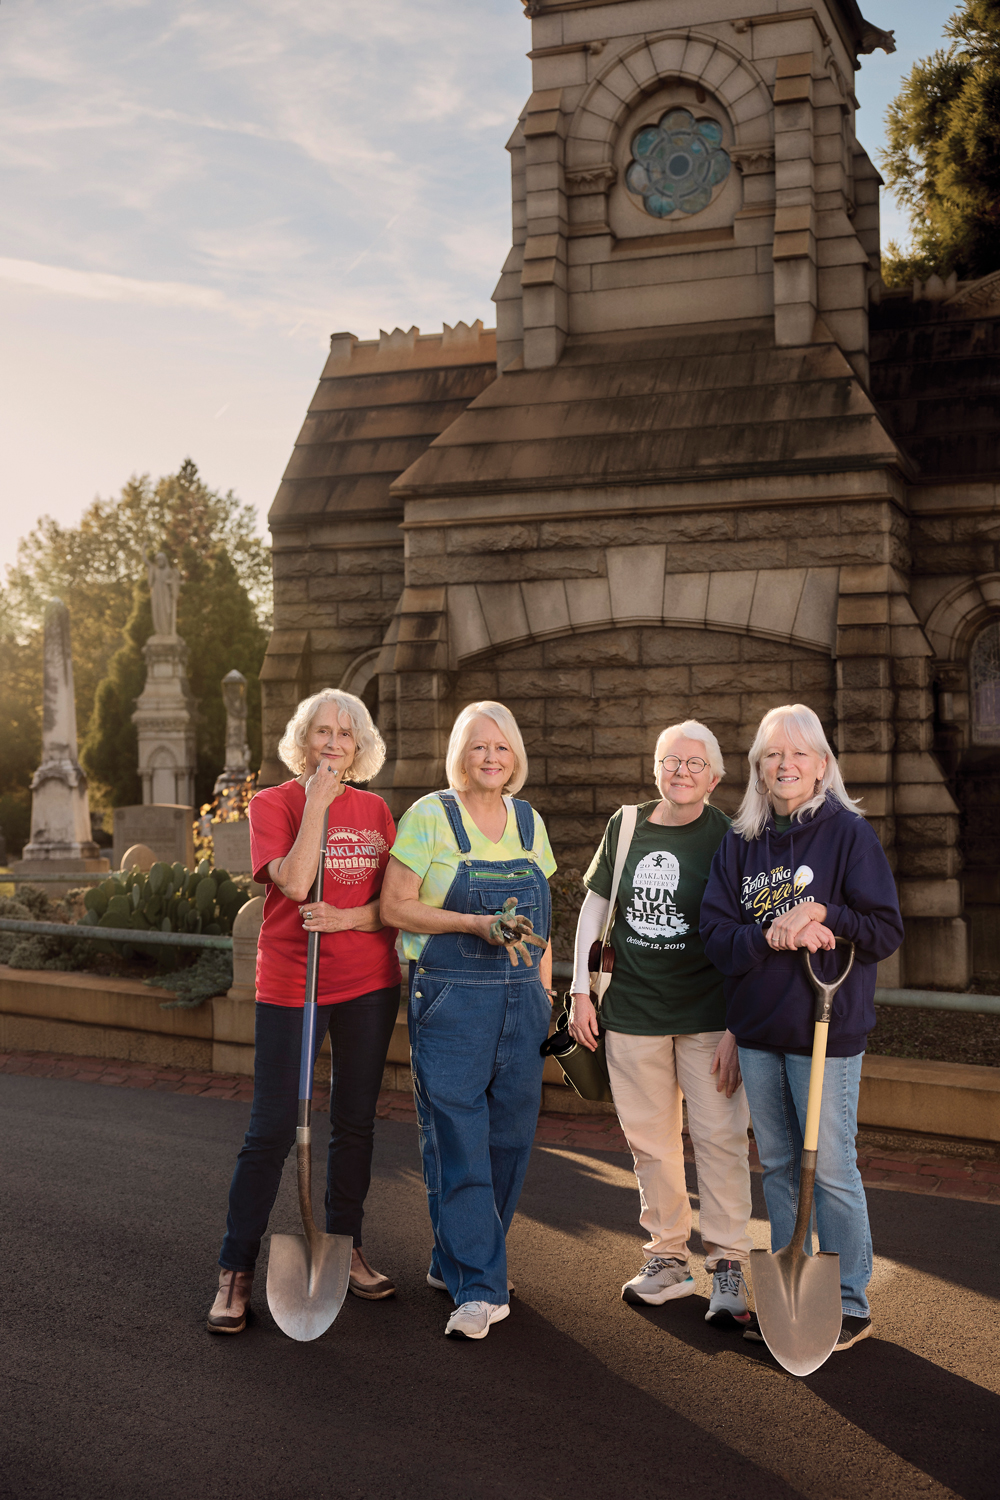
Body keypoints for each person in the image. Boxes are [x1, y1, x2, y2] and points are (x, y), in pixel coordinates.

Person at [700, 702, 903, 1353]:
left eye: (798, 754)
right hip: (760, 1032)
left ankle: (849, 1301)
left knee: (833, 1167)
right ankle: (796, 1294)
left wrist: (824, 910)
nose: (785, 765)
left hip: (826, 1029)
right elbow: (717, 938)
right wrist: (773, 933)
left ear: (821, 766)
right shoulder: (741, 842)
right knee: (783, 1164)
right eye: (771, 755)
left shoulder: (848, 835)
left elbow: (884, 932)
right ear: (759, 768)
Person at [207, 690, 402, 1333]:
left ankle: (345, 1246)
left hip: (367, 983)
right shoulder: (276, 803)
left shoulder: (376, 810)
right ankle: (235, 1272)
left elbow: (396, 907)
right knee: (270, 1129)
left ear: (359, 745)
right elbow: (292, 882)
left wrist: (347, 916)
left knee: (354, 1123)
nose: (334, 743)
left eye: (346, 734)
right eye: (322, 731)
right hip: (294, 984)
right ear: (304, 739)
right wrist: (316, 803)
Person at [379, 702, 556, 1341]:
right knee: (457, 1138)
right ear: (461, 753)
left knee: (509, 1137)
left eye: (501, 746)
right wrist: (472, 924)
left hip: (523, 1000)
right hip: (452, 998)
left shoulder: (530, 821)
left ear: (515, 757)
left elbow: (543, 927)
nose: (490, 756)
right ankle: (480, 1287)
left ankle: (457, 1258)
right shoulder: (430, 816)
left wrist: (547, 995)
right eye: (478, 746)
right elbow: (395, 907)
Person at [568, 721, 753, 1325]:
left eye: (695, 764)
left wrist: (738, 1023)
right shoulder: (625, 828)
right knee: (651, 1144)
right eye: (671, 761)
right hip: (634, 1013)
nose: (681, 772)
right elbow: (596, 907)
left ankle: (728, 1263)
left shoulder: (730, 836)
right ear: (655, 770)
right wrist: (578, 990)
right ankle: (668, 1258)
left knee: (720, 1139)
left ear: (716, 778)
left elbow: (748, 930)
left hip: (709, 1017)